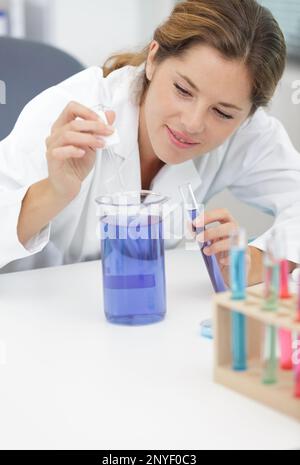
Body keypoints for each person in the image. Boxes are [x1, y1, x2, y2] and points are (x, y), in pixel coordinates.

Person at [0, 0, 299, 287]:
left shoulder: (247, 131)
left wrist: (256, 261)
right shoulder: (69, 112)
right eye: (183, 90)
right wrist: (52, 191)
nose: (192, 123)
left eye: (222, 112)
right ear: (153, 59)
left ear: (248, 115)